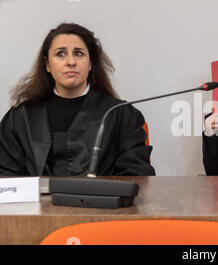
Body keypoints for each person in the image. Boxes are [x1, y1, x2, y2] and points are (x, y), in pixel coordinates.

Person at [0, 23, 156, 176]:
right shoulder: (21, 118)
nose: (71, 62)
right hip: (36, 202)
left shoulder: (120, 115)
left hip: (99, 202)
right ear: (48, 65)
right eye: (60, 54)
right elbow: (7, 179)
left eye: (79, 53)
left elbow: (137, 176)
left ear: (90, 63)